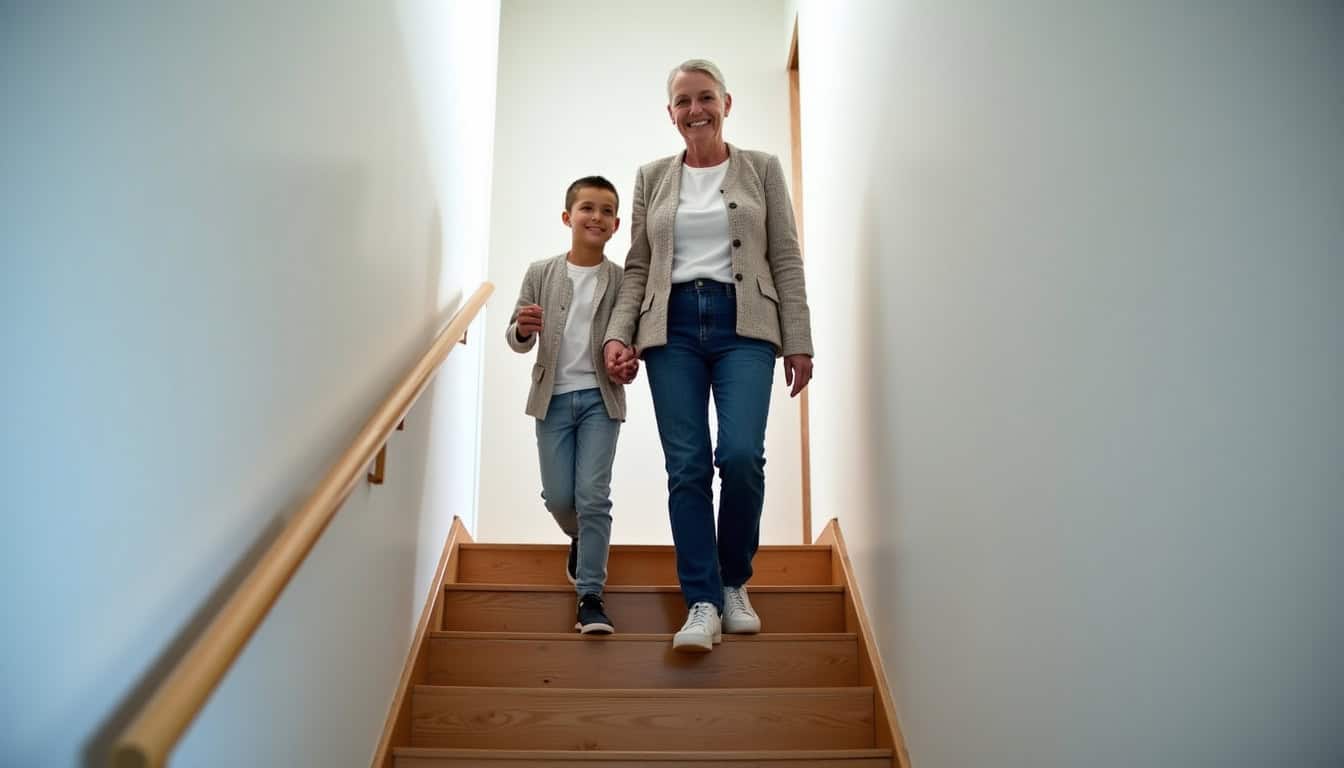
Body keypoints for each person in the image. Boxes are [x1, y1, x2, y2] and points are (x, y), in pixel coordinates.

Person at [603, 60, 814, 653]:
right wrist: (621, 332)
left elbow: (786, 258)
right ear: (670, 113)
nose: (695, 110)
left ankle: (733, 582)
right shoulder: (651, 178)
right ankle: (702, 600)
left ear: (726, 102)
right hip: (670, 330)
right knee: (687, 465)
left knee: (742, 455)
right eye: (682, 102)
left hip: (744, 324)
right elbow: (640, 264)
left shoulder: (763, 169)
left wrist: (798, 338)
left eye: (705, 98)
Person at [507, 175, 638, 635]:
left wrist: (627, 362)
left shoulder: (623, 281)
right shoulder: (540, 273)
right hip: (552, 399)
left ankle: (590, 596)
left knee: (593, 497)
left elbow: (630, 340)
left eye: (606, 211)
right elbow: (516, 338)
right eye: (587, 208)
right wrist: (523, 329)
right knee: (560, 498)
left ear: (617, 223)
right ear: (568, 217)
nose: (596, 217)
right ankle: (580, 538)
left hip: (602, 402)